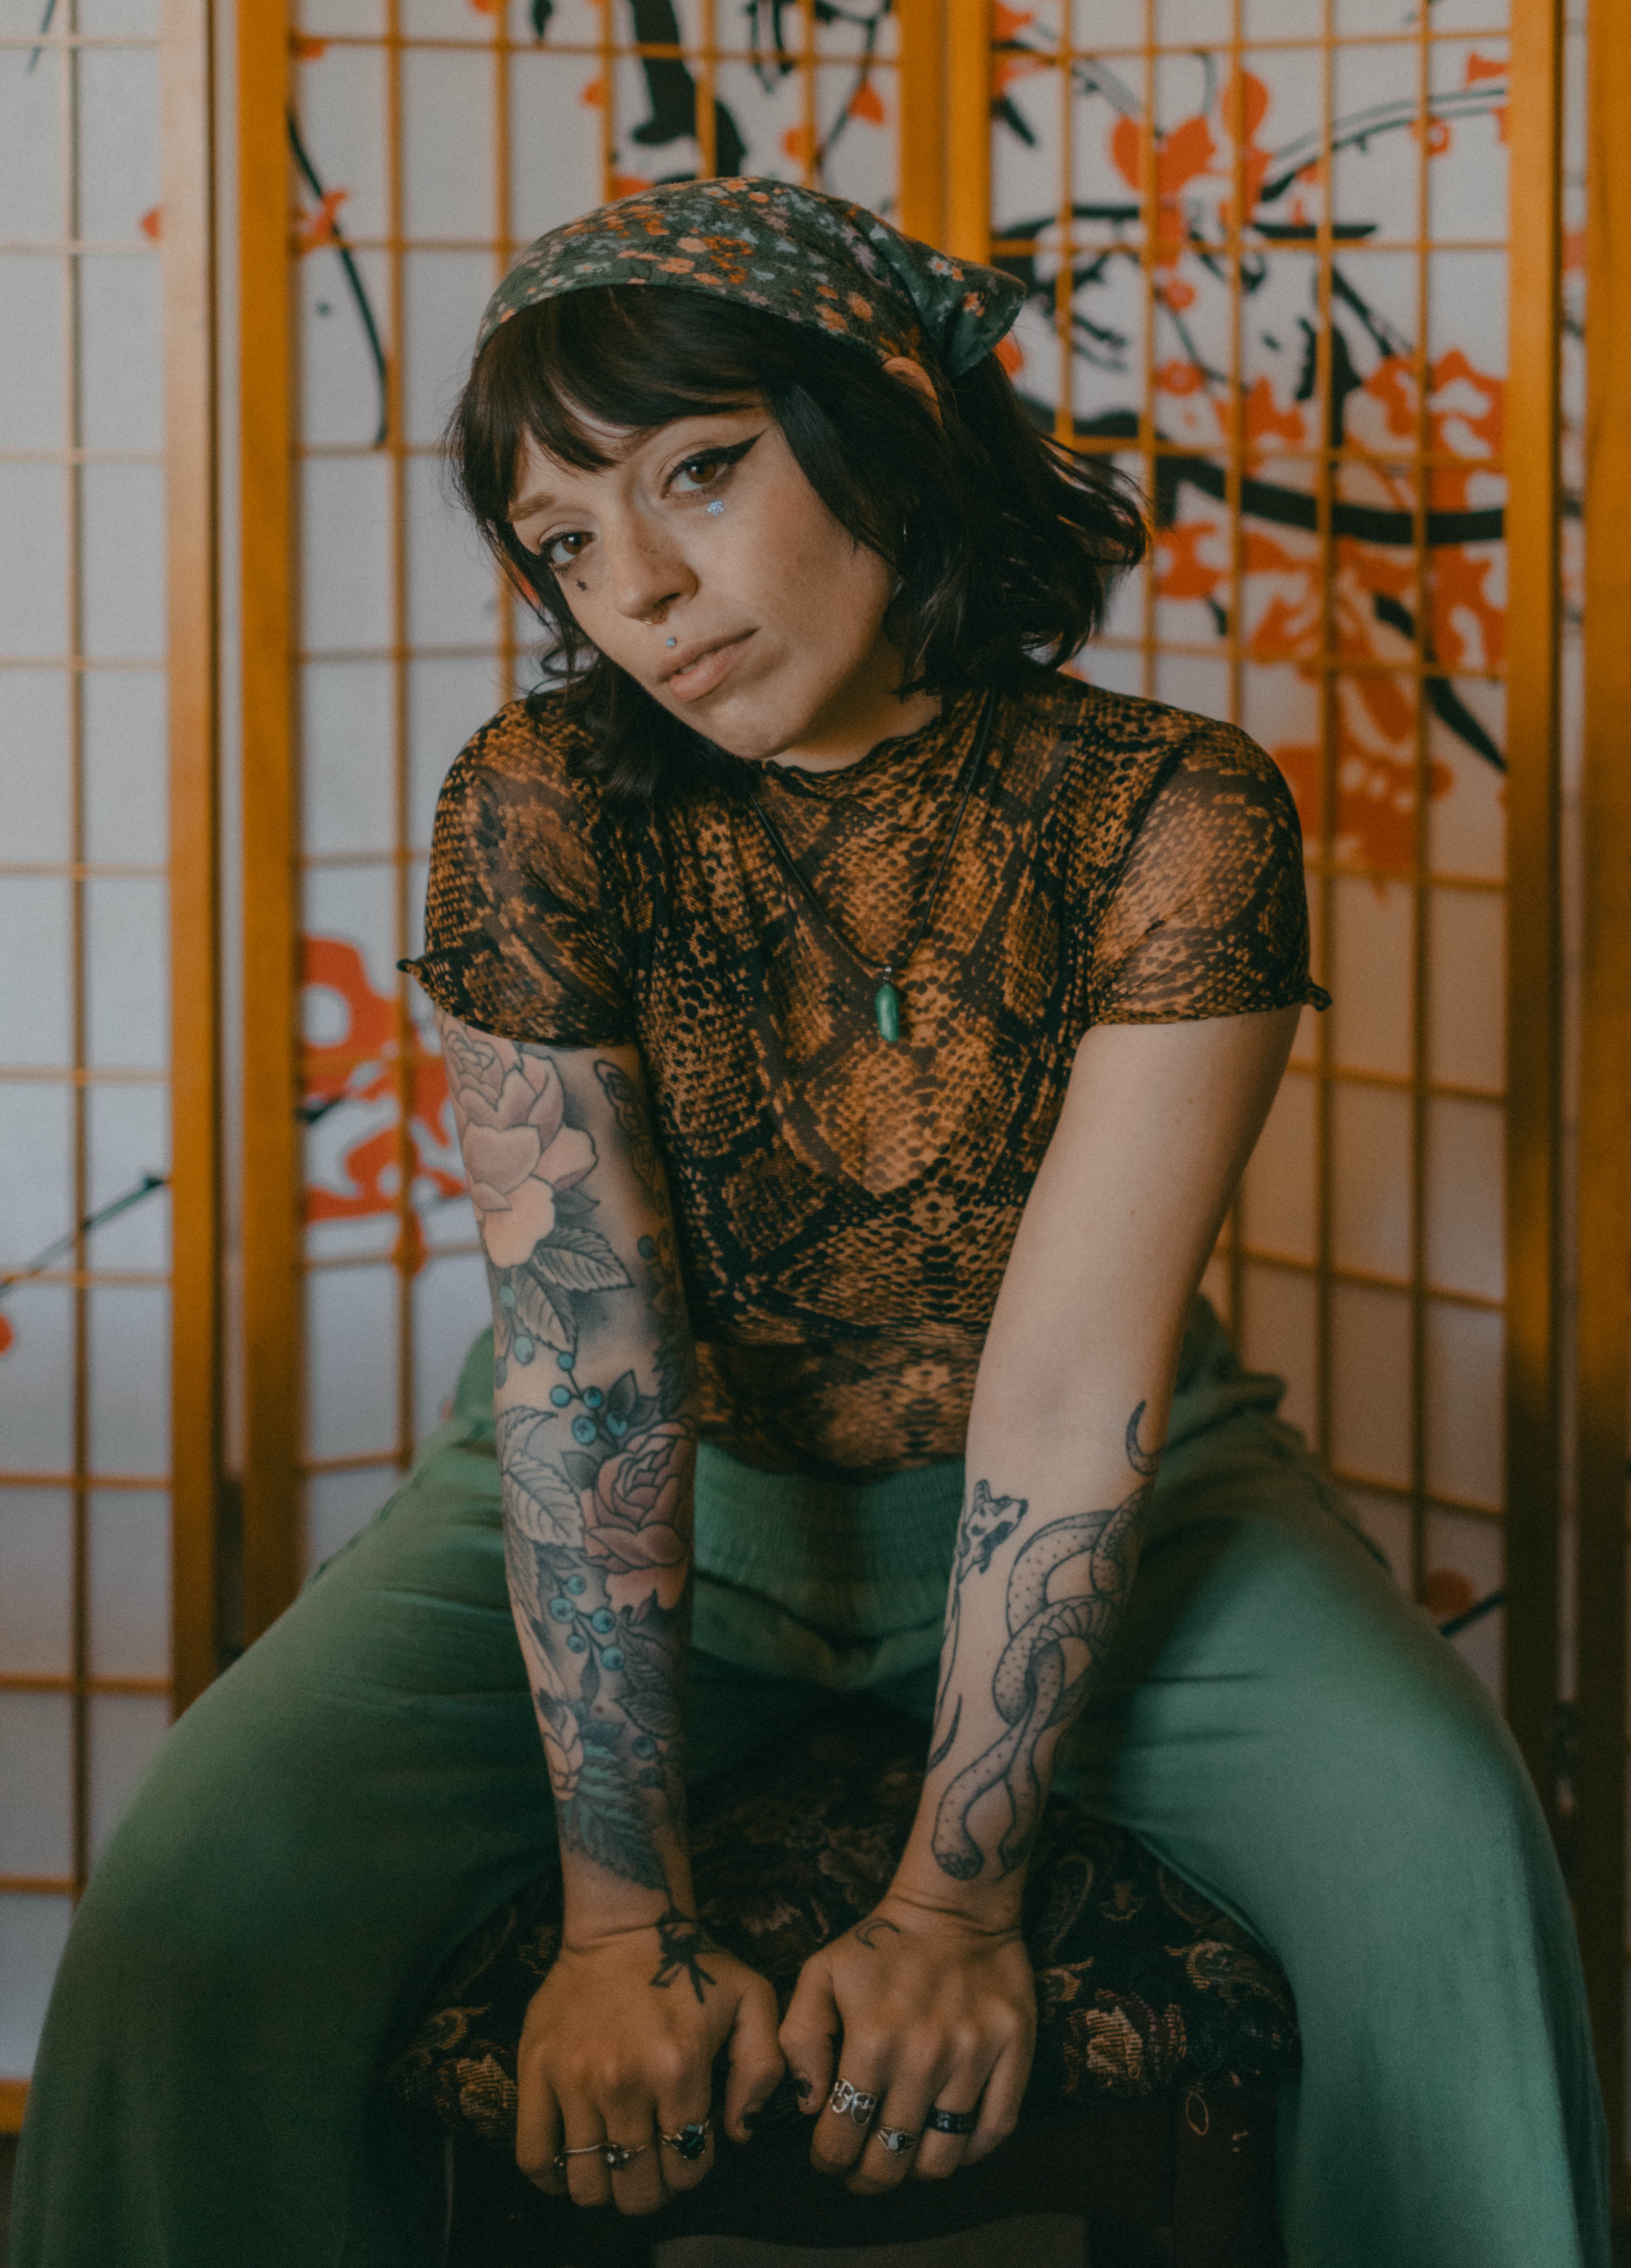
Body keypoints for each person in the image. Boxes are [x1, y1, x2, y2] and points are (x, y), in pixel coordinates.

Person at [13, 179, 1608, 2268]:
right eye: (566, 540)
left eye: (700, 471)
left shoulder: (1173, 810)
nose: (643, 588)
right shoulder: (536, 806)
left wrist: (955, 1904)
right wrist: (621, 1926)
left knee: (1451, 1849)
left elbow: (1074, 1382)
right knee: (193, 1890)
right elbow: (591, 1384)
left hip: (1114, 1494)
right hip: (622, 1488)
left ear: (884, 426)